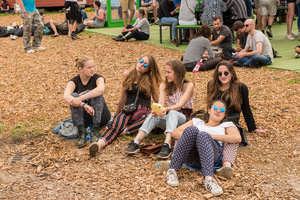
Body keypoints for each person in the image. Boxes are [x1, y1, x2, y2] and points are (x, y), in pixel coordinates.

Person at [89, 55, 162, 157]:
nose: (141, 64)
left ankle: (125, 131)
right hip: (128, 109)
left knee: (146, 119)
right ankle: (98, 144)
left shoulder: (150, 77)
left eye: (145, 64)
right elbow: (123, 98)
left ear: (149, 69)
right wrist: (117, 113)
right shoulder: (127, 74)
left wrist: (162, 109)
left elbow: (156, 96)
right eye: (141, 61)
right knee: (115, 125)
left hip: (143, 110)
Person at [164, 100, 241, 196]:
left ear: (224, 114)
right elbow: (175, 133)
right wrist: (194, 137)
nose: (218, 111)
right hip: (192, 156)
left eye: (222, 110)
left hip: (212, 155)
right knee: (192, 130)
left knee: (203, 135)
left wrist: (211, 136)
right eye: (216, 108)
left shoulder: (226, 125)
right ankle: (172, 171)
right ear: (209, 110)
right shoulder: (196, 122)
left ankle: (209, 180)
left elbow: (237, 138)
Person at [124, 60, 194, 159]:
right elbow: (160, 104)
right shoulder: (164, 85)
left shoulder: (188, 85)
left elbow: (180, 105)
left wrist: (166, 109)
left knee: (173, 112)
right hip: (169, 117)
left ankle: (167, 144)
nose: (166, 75)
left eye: (169, 72)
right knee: (154, 114)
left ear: (177, 73)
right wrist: (157, 111)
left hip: (183, 119)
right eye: (165, 72)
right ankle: (136, 142)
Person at [63, 56, 111, 148]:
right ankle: (82, 133)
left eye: (93, 67)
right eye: (89, 68)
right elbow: (65, 97)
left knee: (96, 94)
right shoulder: (73, 82)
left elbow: (100, 90)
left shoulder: (98, 78)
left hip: (101, 117)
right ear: (80, 69)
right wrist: (83, 104)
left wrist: (80, 98)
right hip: (84, 118)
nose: (92, 69)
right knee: (73, 96)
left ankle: (95, 131)